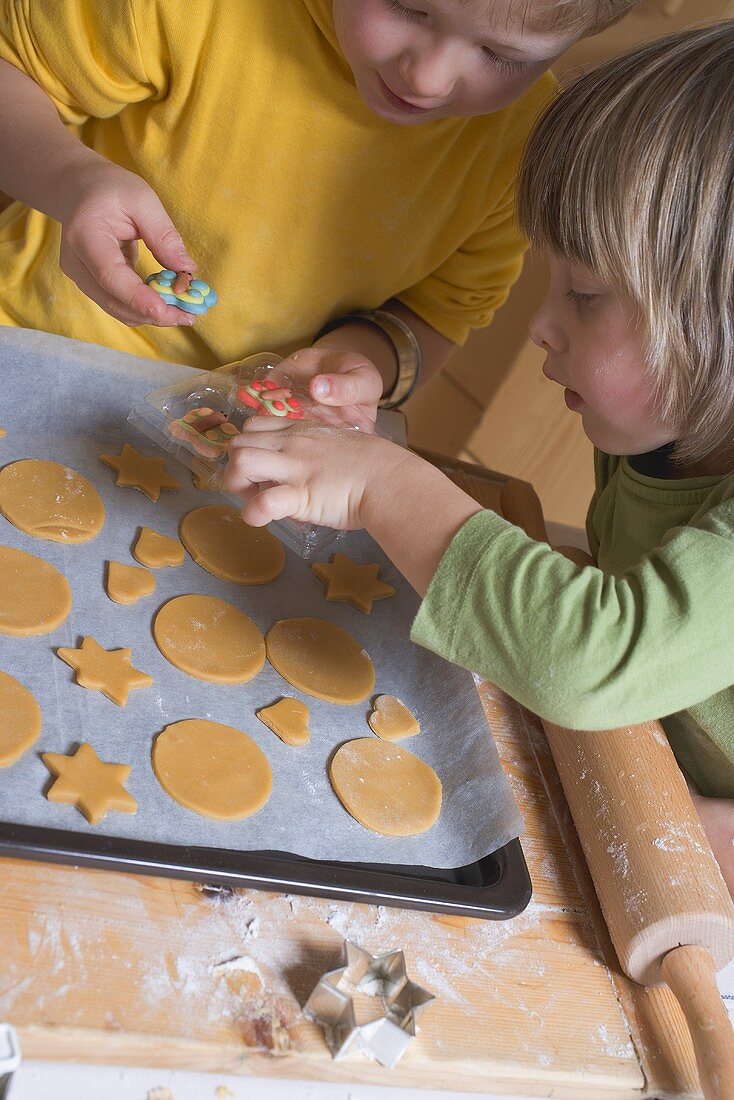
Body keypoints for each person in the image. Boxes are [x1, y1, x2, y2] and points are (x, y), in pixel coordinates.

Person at [224, 22, 734, 891]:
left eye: (584, 296)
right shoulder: (669, 431)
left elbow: (587, 658)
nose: (540, 326)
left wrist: (387, 487)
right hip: (645, 753)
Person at [0, 0, 635, 424]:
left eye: (506, 56)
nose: (429, 78)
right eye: (407, 5)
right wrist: (70, 177)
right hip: (26, 342)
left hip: (234, 434)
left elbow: (434, 316)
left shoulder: (520, 148)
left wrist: (358, 367)